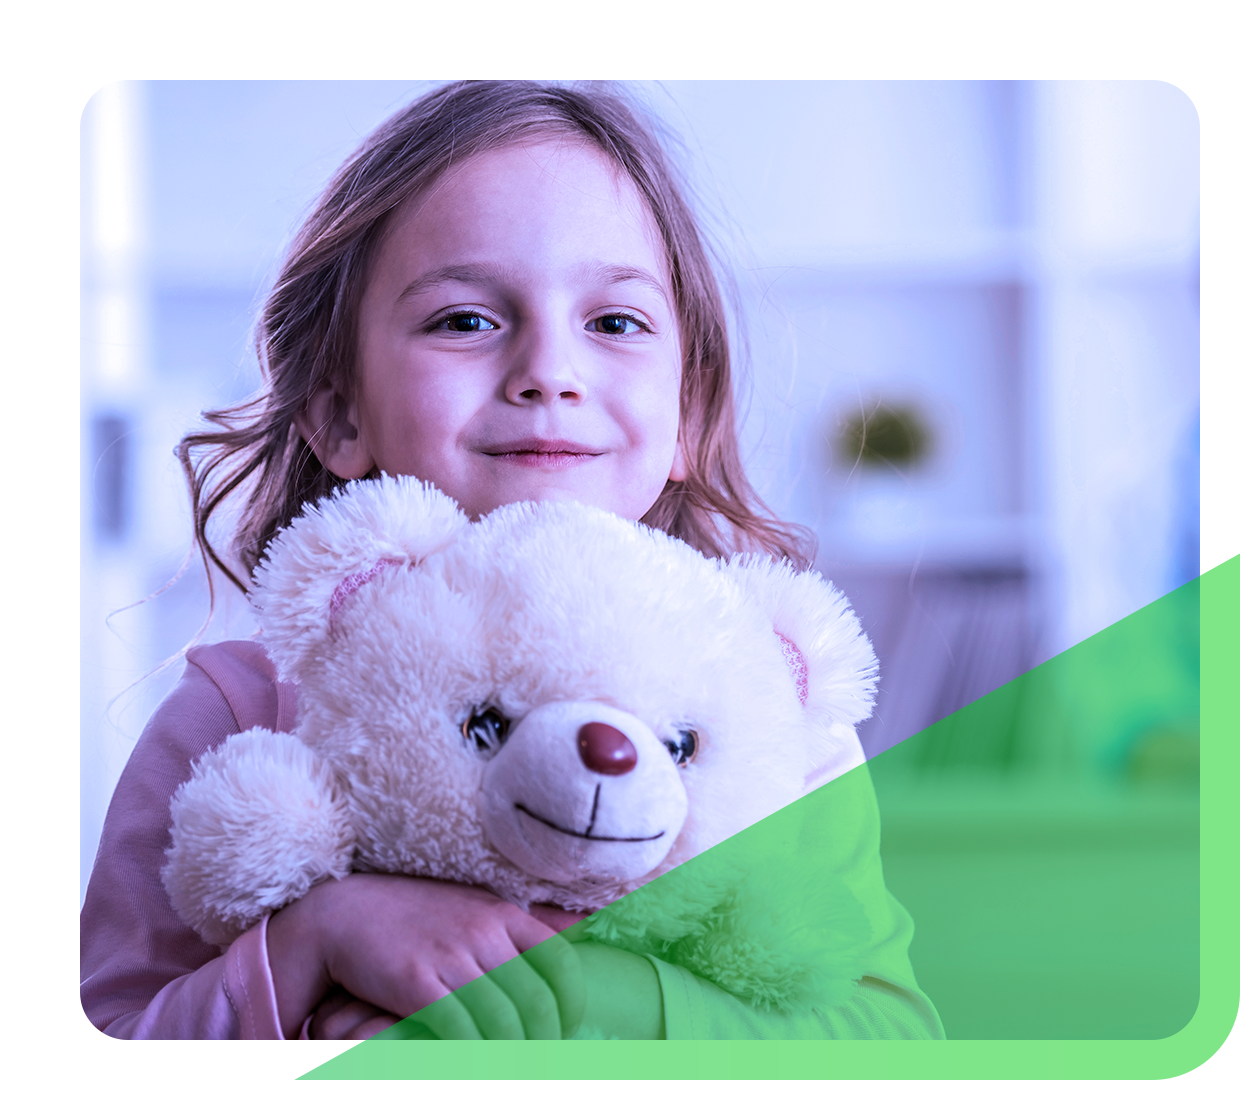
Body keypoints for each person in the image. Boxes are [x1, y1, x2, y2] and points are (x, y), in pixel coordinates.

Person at [80, 81, 944, 1043]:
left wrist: (611, 1004)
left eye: (614, 323)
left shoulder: (762, 707)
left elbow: (889, 1037)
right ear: (338, 411)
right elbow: (99, 1045)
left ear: (690, 413)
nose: (550, 371)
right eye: (465, 320)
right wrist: (315, 942)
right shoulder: (240, 709)